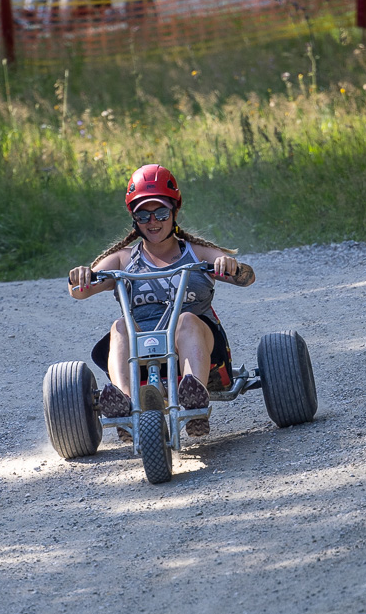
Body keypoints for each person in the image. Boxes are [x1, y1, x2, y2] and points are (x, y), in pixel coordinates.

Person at [67, 163, 255, 438]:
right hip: (141, 350)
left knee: (186, 319)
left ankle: (195, 400)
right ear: (134, 218)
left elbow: (246, 278)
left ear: (174, 212)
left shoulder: (198, 253)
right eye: (143, 215)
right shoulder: (122, 259)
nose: (153, 221)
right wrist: (81, 276)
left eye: (161, 213)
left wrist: (229, 265)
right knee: (120, 326)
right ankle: (124, 405)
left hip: (196, 344)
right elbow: (80, 291)